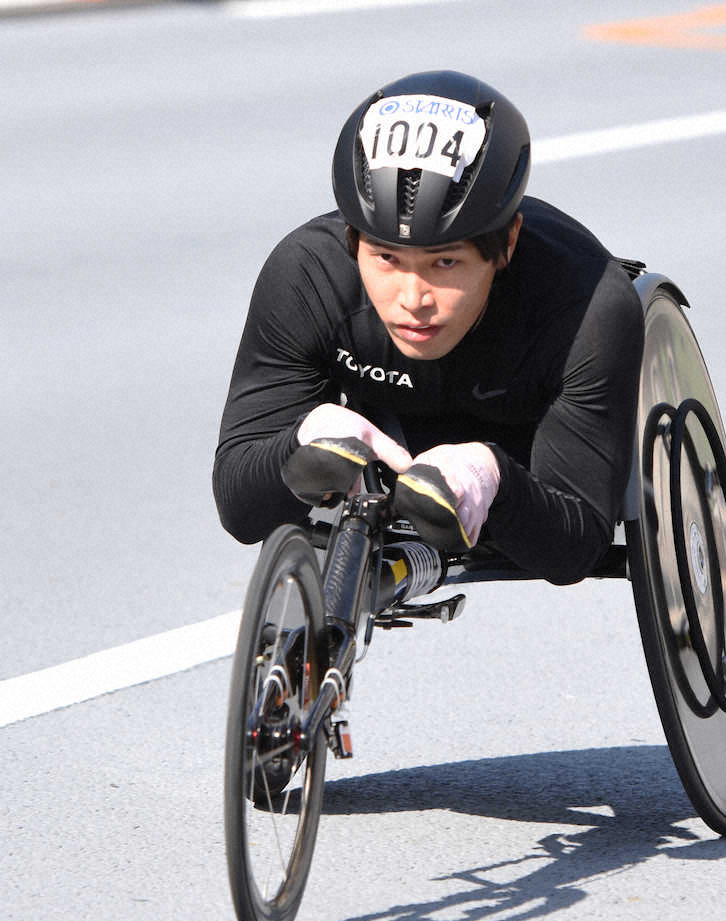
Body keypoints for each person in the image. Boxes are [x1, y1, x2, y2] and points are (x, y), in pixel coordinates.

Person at [213, 70, 645, 586]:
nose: (412, 300)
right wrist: (298, 445)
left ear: (506, 244)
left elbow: (572, 553)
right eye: (387, 259)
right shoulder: (308, 276)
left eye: (445, 264)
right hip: (390, 426)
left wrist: (494, 476)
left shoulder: (584, 304)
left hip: (527, 443)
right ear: (353, 240)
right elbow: (240, 512)